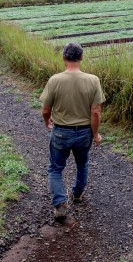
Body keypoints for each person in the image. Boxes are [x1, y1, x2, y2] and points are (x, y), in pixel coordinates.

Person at [40, 42, 105, 220]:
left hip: (60, 131)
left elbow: (45, 110)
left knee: (55, 169)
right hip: (84, 132)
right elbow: (96, 112)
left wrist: (47, 121)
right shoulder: (93, 80)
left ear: (63, 58)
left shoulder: (55, 80)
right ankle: (77, 194)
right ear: (81, 57)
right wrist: (96, 134)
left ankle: (60, 204)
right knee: (82, 164)